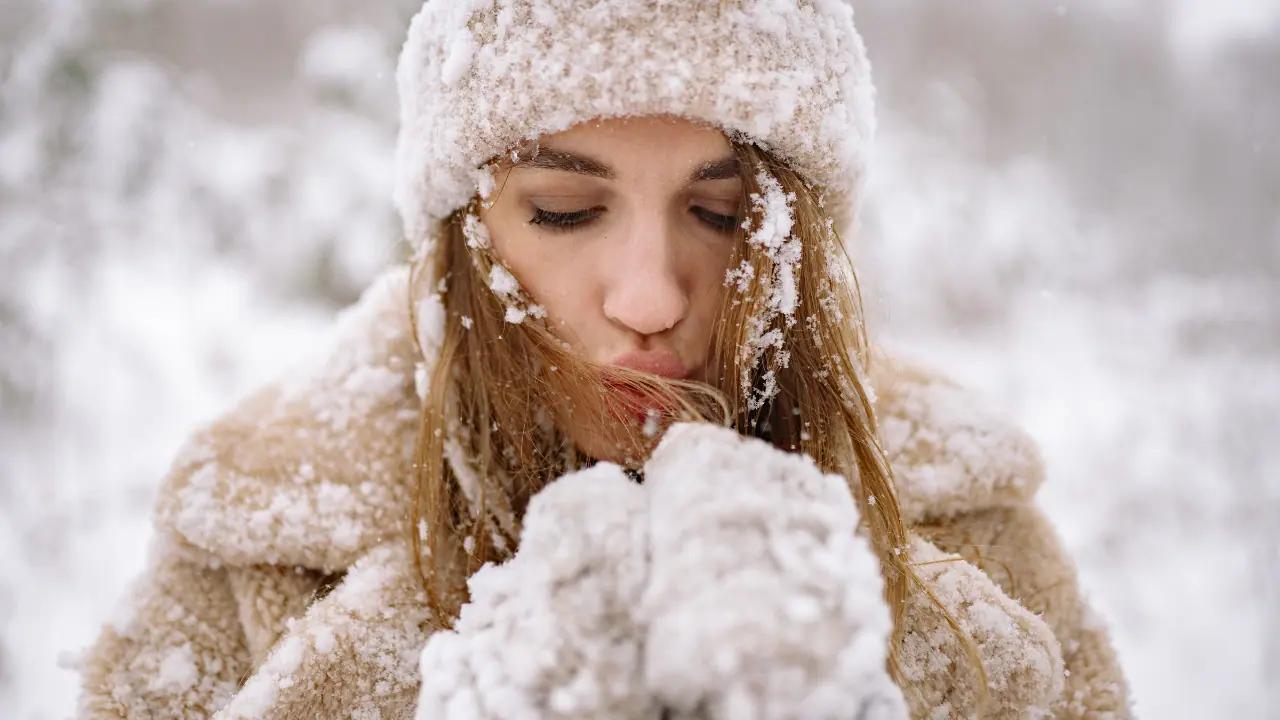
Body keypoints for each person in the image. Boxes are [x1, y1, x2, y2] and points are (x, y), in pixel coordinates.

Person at [76, 1, 1132, 718]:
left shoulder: (968, 530)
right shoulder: (256, 548)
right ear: (461, 233)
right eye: (567, 211)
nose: (649, 297)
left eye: (719, 215)